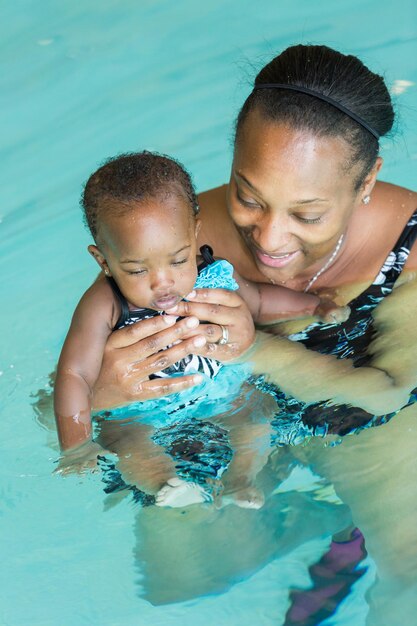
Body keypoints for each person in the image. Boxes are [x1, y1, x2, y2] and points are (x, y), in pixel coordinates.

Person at [86, 45, 417, 620]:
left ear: (366, 183)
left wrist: (254, 346)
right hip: (236, 407)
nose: (269, 238)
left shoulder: (410, 249)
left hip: (363, 412)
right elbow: (64, 395)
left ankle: (359, 517)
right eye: (248, 196)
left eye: (307, 214)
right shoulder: (172, 238)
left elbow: (387, 391)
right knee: (177, 578)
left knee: (412, 576)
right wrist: (105, 393)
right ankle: (322, 522)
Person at [54, 150, 345, 505]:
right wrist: (76, 445)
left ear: (194, 232)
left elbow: (260, 303)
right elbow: (75, 374)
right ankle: (167, 485)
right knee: (127, 443)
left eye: (178, 260)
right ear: (103, 260)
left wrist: (314, 305)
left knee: (258, 413)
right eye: (136, 270)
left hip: (222, 393)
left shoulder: (215, 273)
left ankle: (241, 478)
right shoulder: (104, 302)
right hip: (141, 413)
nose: (163, 282)